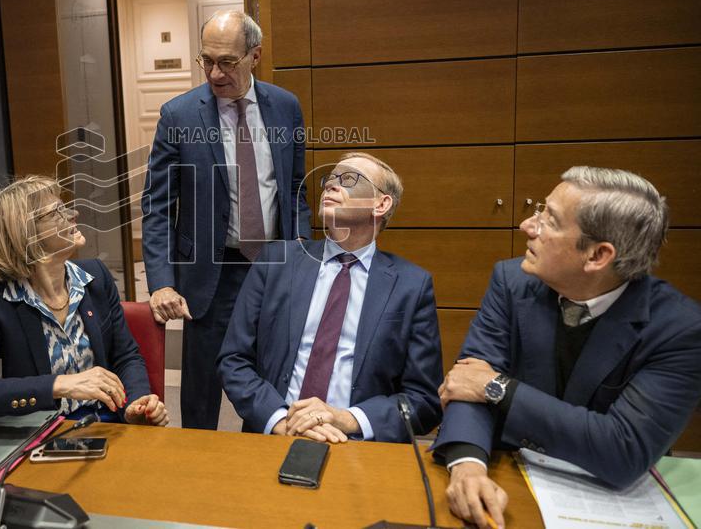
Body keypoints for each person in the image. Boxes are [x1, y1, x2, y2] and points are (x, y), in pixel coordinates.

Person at [434, 167, 701, 529]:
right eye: (540, 210)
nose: (528, 225)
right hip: (509, 478)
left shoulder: (680, 329)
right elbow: (468, 380)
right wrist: (467, 466)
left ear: (597, 256)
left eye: (550, 221)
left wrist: (497, 388)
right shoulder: (511, 281)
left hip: (610, 499)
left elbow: (623, 449)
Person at [142, 9, 312, 430]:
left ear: (254, 55)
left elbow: (295, 191)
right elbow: (158, 205)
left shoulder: (285, 107)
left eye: (227, 62)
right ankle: (198, 472)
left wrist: (302, 255)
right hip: (209, 273)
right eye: (207, 60)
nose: (215, 73)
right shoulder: (178, 116)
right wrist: (162, 280)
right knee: (201, 388)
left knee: (272, 377)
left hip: (274, 265)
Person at [217, 152, 442, 442]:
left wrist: (347, 419)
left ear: (381, 203)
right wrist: (280, 419)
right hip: (276, 435)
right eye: (330, 179)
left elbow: (424, 400)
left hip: (357, 444)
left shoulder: (412, 286)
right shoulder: (276, 261)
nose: (331, 186)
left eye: (348, 179)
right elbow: (233, 359)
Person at [0, 175, 168, 426]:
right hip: (42, 434)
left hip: (108, 424)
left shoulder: (95, 277)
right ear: (25, 236)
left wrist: (136, 403)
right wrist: (58, 384)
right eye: (57, 212)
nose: (73, 214)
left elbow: (126, 355)